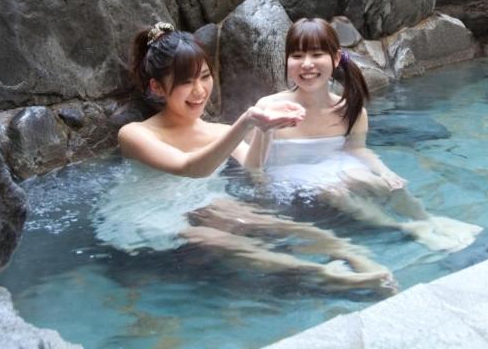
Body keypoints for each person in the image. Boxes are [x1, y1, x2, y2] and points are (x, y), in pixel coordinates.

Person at [96, 21, 393, 292]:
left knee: (277, 224)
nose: (199, 91)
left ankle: (354, 255)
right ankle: (325, 274)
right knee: (217, 239)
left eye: (204, 76)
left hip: (203, 202)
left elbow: (253, 165)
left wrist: (266, 128)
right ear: (157, 87)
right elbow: (187, 168)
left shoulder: (216, 131)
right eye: (186, 82)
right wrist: (247, 121)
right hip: (149, 213)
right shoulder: (135, 134)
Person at [246, 18, 481, 252]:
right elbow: (254, 166)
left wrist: (384, 171)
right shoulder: (270, 106)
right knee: (333, 191)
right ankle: (405, 229)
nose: (306, 64)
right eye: (297, 56)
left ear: (336, 58)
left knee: (380, 183)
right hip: (290, 174)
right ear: (287, 61)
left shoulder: (349, 109)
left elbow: (357, 149)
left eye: (316, 54)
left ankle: (428, 220)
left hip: (332, 164)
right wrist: (264, 132)